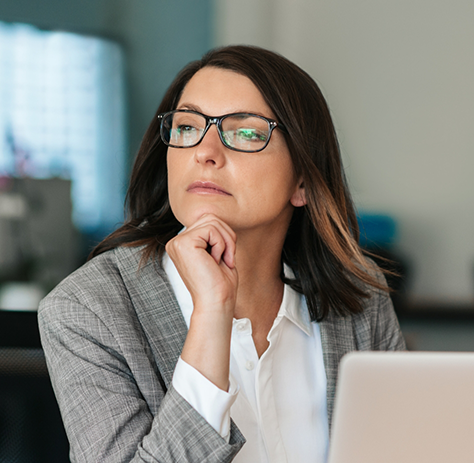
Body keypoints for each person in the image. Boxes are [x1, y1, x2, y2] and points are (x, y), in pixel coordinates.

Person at [38, 45, 405, 463]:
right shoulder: (86, 310)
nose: (205, 152)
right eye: (187, 126)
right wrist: (212, 315)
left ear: (302, 181)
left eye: (246, 132)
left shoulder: (359, 297)